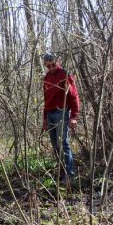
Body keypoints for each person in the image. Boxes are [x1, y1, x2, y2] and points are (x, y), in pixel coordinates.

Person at [42, 53, 80, 181]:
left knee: (63, 143)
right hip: (50, 113)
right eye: (48, 66)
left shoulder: (64, 74)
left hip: (62, 112)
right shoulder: (46, 78)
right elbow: (46, 100)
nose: (51, 68)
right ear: (45, 66)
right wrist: (44, 119)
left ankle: (70, 174)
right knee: (55, 145)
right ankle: (62, 171)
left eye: (53, 65)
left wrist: (74, 116)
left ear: (56, 62)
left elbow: (74, 96)